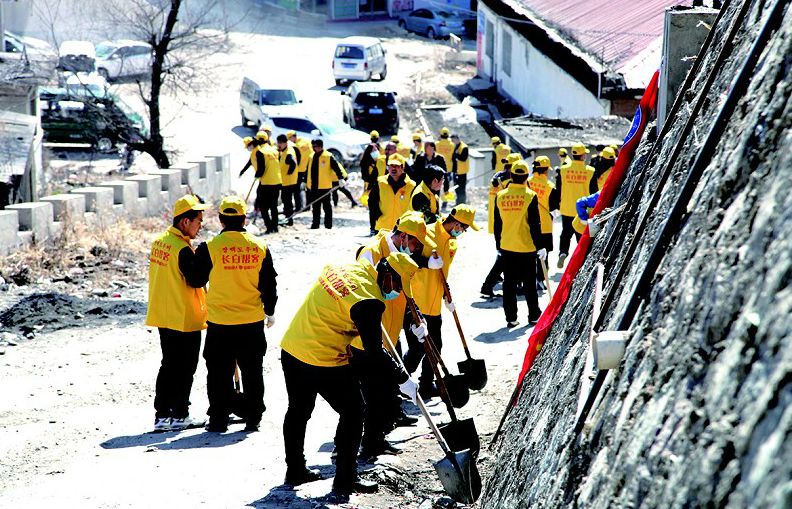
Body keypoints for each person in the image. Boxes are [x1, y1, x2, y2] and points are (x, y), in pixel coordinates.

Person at [279, 253, 420, 496]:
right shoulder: (369, 301)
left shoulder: (349, 267)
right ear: (387, 276)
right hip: (321, 357)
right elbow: (374, 351)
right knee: (354, 411)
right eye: (397, 286)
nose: (397, 293)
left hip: (293, 347)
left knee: (298, 411)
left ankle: (295, 470)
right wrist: (402, 379)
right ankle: (345, 480)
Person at [189, 195, 278, 432]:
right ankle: (253, 417)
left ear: (221, 220)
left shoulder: (210, 247)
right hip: (251, 322)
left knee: (218, 373)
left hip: (220, 323)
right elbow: (269, 284)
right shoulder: (259, 246)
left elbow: (196, 279)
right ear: (244, 219)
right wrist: (270, 311)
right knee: (252, 371)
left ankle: (219, 418)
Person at [352, 212, 435, 457]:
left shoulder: (401, 258)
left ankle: (379, 434)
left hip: (391, 332)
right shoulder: (372, 253)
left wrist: (417, 320)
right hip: (370, 335)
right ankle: (359, 443)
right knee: (370, 393)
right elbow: (361, 293)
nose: (416, 249)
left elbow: (405, 293)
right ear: (404, 236)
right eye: (415, 244)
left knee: (384, 390)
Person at [146, 194, 209, 432]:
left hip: (164, 314)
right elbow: (197, 280)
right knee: (185, 368)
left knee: (168, 365)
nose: (201, 225)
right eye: (198, 221)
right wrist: (204, 258)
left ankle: (162, 415)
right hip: (184, 317)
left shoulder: (160, 242)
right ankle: (180, 414)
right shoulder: (182, 249)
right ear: (185, 221)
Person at [403, 205, 478, 399]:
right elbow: (405, 257)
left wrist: (446, 294)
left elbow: (443, 272)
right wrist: (426, 263)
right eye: (464, 228)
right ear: (457, 223)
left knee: (436, 345)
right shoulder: (425, 233)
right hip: (416, 301)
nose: (463, 232)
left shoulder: (452, 244)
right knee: (418, 349)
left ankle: (426, 385)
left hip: (434, 303)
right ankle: (396, 382)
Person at [494, 161, 545, 327]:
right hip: (526, 246)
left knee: (509, 284)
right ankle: (534, 315)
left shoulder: (500, 196)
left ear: (511, 175)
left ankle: (511, 318)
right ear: (526, 176)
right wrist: (540, 246)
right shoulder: (530, 195)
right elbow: (535, 224)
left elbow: (497, 224)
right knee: (530, 283)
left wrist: (498, 245)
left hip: (507, 245)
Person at [481, 153, 520, 297]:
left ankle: (497, 281)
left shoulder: (497, 177)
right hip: (506, 222)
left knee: (503, 254)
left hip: (497, 221)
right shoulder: (509, 182)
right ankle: (489, 284)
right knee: (506, 256)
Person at [556, 142, 594, 268]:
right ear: (582, 156)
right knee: (581, 236)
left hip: (567, 207)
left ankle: (563, 252)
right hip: (582, 211)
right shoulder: (590, 171)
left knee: (566, 233)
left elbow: (558, 188)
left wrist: (557, 204)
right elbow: (594, 192)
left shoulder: (563, 170)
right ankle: (581, 261)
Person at [528, 156, 560, 289]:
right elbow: (555, 211)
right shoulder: (550, 187)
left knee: (529, 254)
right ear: (546, 170)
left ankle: (529, 279)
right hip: (545, 226)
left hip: (528, 225)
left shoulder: (527, 182)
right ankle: (541, 279)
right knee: (544, 255)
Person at [368, 154, 416, 232]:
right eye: (391, 165)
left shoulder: (411, 185)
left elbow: (414, 208)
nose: (393, 168)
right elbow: (372, 201)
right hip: (382, 228)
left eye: (396, 166)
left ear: (402, 167)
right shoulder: (380, 182)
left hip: (402, 229)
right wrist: (377, 216)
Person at [307, 139, 346, 229]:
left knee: (327, 206)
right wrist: (306, 181)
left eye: (315, 146)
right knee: (315, 206)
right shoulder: (311, 156)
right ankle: (315, 224)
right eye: (313, 146)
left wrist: (340, 178)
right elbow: (308, 170)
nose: (314, 148)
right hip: (314, 186)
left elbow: (336, 167)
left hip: (325, 186)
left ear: (321, 147)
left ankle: (328, 225)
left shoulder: (328, 156)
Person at [253, 132, 282, 234]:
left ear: (258, 141)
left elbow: (261, 169)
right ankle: (275, 227)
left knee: (263, 207)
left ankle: (269, 227)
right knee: (273, 206)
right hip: (277, 181)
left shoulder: (260, 152)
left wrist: (256, 175)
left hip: (266, 183)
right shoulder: (275, 151)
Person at [277, 134, 299, 226]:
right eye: (278, 143)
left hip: (288, 181)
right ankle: (288, 218)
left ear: (285, 143)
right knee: (286, 200)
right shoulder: (287, 150)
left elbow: (293, 163)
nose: (278, 145)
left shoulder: (288, 153)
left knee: (287, 201)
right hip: (288, 181)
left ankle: (289, 220)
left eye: (280, 143)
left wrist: (289, 173)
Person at [288, 130, 311, 211]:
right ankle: (308, 206)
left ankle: (299, 207)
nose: (289, 141)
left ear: (293, 137)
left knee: (296, 189)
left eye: (289, 139)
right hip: (309, 167)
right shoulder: (307, 141)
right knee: (308, 187)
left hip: (300, 170)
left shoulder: (295, 146)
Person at [450, 133, 469, 205]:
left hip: (462, 171)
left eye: (453, 140)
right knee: (456, 188)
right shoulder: (456, 146)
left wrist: (457, 154)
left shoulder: (464, 147)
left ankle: (462, 203)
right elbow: (453, 157)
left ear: (456, 139)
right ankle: (458, 202)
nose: (452, 142)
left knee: (461, 188)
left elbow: (463, 158)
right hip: (456, 171)